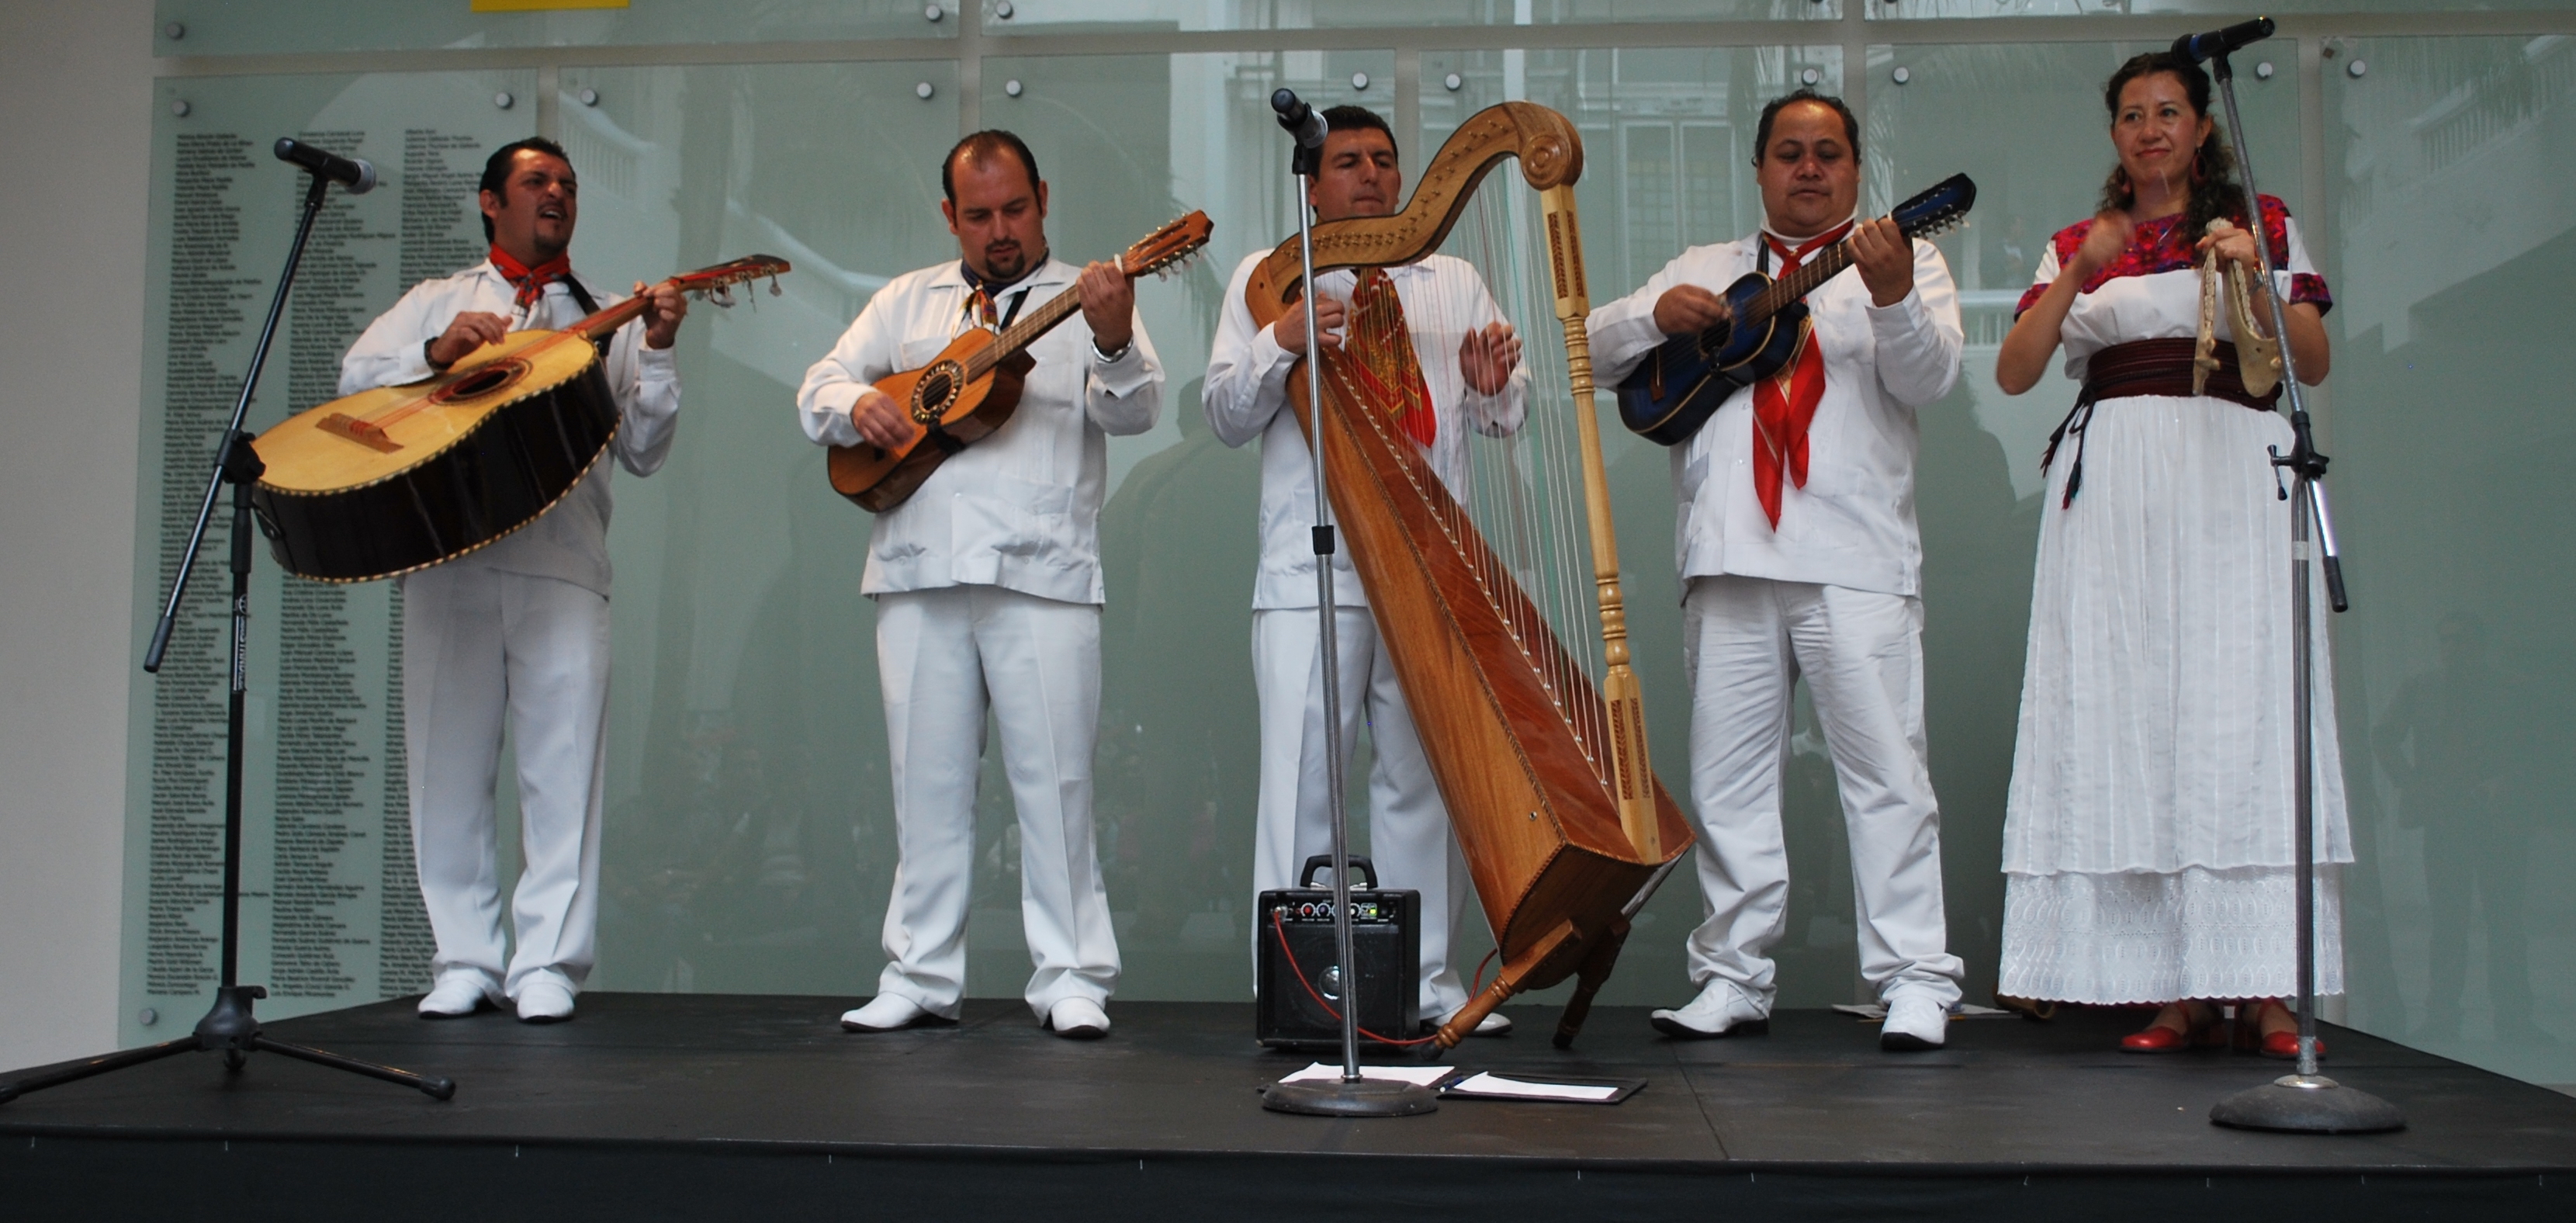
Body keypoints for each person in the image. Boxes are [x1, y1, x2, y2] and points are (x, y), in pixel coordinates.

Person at [1587, 88, 1967, 1051]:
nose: (1808, 168)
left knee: (1886, 776)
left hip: (1853, 557)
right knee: (1729, 781)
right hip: (1725, 555)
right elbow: (1589, 349)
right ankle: (1729, 975)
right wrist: (1649, 316)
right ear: (1758, 167)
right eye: (1789, 151)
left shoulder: (1906, 258)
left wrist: (1885, 296)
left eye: (1828, 152)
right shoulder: (1702, 268)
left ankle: (1915, 977)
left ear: (1853, 168)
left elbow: (1927, 380)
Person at [1993, 50, 2342, 1058]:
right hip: (2115, 494)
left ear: (2200, 127)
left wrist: (2252, 269)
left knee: (2241, 710)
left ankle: (2266, 984)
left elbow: (2310, 359)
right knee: (2130, 708)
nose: (2151, 128)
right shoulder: (2079, 241)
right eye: (2133, 114)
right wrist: (2084, 271)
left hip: (2232, 472)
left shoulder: (2259, 223)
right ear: (2116, 135)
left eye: (2169, 111)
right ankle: (2163, 986)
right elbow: (2017, 372)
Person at [798, 131, 1162, 1040]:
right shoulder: (903, 299)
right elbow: (819, 386)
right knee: (923, 787)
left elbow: (1138, 407)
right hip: (918, 568)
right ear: (949, 216)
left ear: (1041, 196)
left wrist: (1112, 338)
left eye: (1015, 209)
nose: (1000, 230)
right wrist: (857, 405)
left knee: (1059, 786)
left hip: (1042, 572)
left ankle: (1073, 972)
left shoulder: (1090, 293)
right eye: (978, 215)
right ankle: (917, 972)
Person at [341, 137, 691, 1023]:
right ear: (490, 201)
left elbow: (645, 452)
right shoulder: (437, 301)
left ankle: (548, 964)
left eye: (568, 186)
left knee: (562, 767)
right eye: (537, 182)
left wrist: (655, 348)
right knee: (446, 765)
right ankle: (462, 956)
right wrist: (434, 351)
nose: (557, 194)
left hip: (563, 566)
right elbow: (352, 387)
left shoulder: (606, 315)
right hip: (448, 559)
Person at [1203, 105, 1529, 1036]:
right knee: (1303, 779)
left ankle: (1422, 983)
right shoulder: (1270, 281)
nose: (1372, 177)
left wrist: (1491, 380)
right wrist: (1283, 341)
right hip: (1315, 571)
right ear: (1312, 185)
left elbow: (1507, 418)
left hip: (1430, 573)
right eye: (1348, 162)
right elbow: (1224, 414)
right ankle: (1303, 984)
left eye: (1385, 161)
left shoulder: (1454, 279)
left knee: (1419, 779)